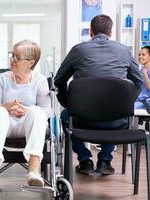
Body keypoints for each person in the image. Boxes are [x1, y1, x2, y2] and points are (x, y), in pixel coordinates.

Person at [54, 14, 143, 176]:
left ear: (91, 32)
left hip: (82, 120)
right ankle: (104, 160)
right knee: (112, 114)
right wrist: (126, 106)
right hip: (116, 122)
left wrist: (70, 104)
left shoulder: (78, 50)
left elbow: (58, 80)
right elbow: (139, 82)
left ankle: (85, 160)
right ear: (110, 33)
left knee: (65, 116)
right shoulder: (124, 51)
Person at [0, 40, 51, 188]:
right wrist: (6, 106)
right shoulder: (1, 79)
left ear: (30, 62)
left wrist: (27, 110)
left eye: (16, 57)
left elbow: (47, 110)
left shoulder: (40, 80)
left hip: (29, 126)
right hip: (5, 125)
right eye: (12, 55)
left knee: (37, 111)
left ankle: (33, 172)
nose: (12, 60)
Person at [135, 46, 150, 111]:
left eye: (143, 55)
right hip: (138, 101)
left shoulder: (144, 72)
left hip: (146, 103)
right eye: (139, 55)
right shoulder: (141, 70)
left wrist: (145, 75)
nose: (140, 57)